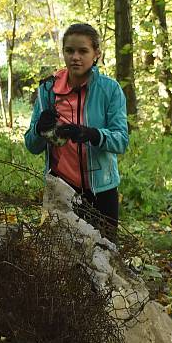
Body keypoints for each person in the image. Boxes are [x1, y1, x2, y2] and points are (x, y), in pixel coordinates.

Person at [24, 23, 129, 239]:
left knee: (105, 258)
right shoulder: (47, 90)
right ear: (63, 52)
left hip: (102, 191)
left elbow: (121, 140)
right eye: (69, 50)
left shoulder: (110, 90)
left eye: (83, 51)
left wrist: (93, 134)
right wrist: (40, 129)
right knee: (61, 258)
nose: (75, 57)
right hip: (60, 190)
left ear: (96, 54)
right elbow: (32, 145)